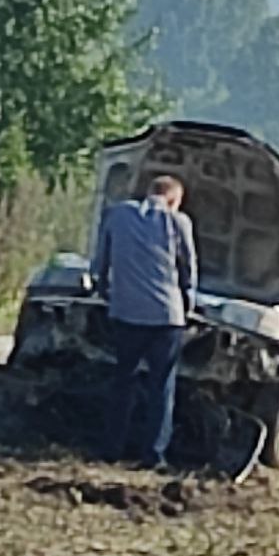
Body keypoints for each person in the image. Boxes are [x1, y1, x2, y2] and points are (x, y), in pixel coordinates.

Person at [92, 174, 198, 468]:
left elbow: (101, 261)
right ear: (174, 200)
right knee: (160, 386)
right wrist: (188, 305)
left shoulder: (117, 215)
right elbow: (188, 270)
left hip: (126, 314)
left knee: (122, 381)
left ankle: (111, 449)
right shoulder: (178, 223)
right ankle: (153, 455)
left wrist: (106, 294)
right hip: (167, 318)